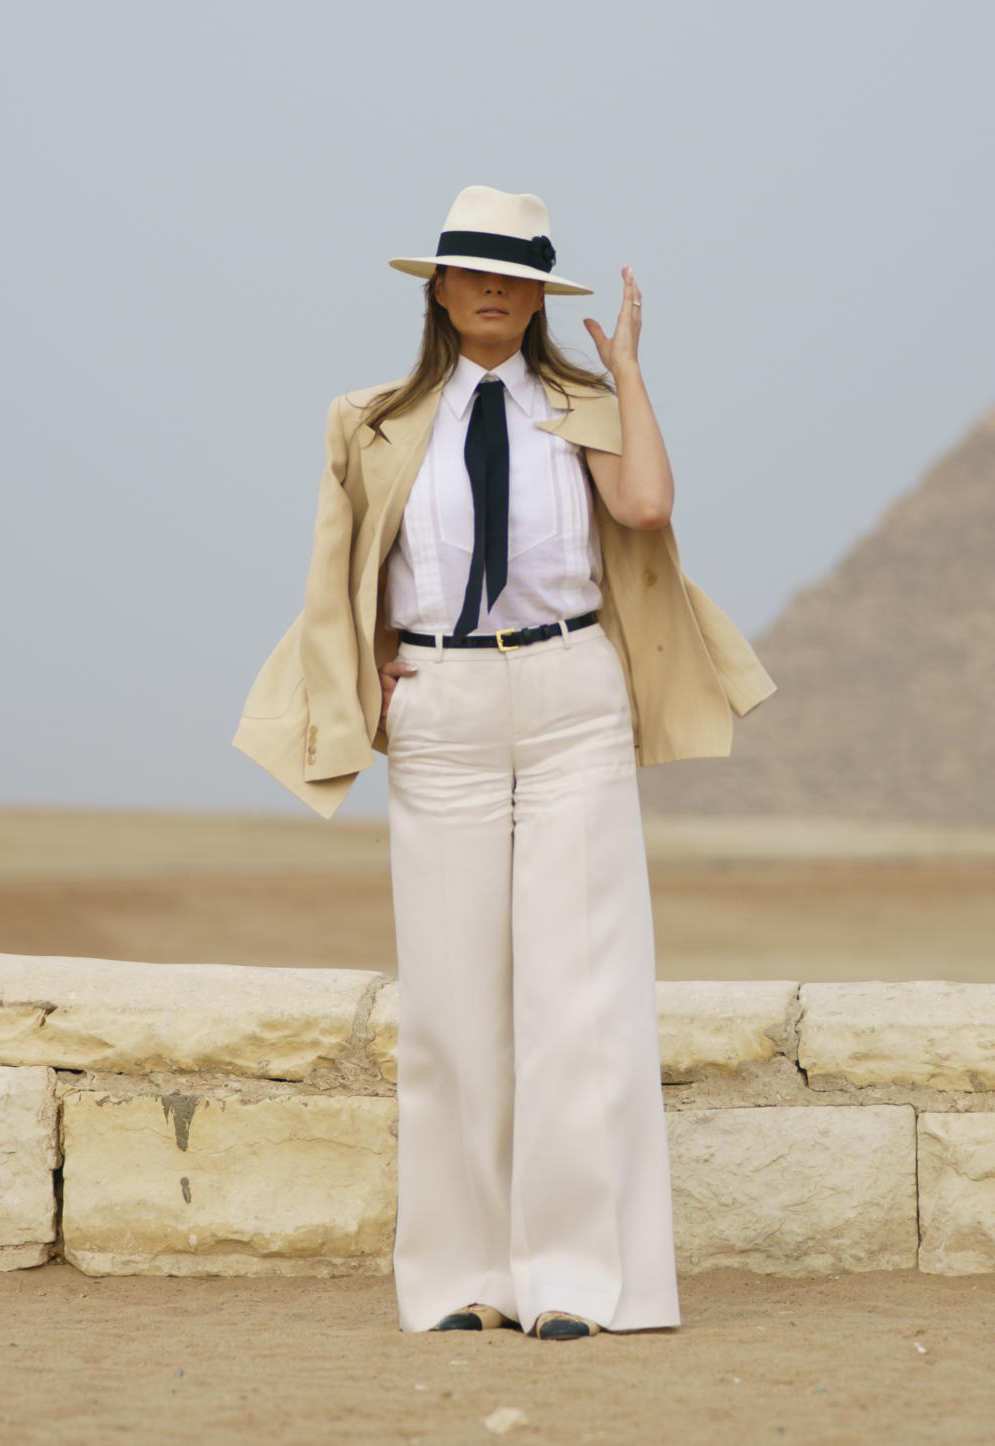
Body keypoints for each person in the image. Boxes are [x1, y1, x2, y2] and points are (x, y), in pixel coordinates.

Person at [233, 186, 774, 1339]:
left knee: (579, 999)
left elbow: (646, 504)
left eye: (515, 271)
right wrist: (368, 669)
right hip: (442, 707)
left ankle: (576, 1279)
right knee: (450, 1004)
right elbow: (343, 570)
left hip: (571, 695)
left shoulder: (579, 406)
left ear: (539, 293)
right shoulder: (368, 420)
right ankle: (462, 1279)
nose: (491, 286)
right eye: (471, 268)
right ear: (435, 286)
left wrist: (626, 370)